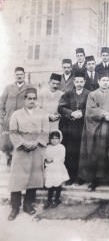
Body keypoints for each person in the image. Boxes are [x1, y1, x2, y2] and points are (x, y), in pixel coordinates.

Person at [7, 87, 49, 221]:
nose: (31, 101)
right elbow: (13, 132)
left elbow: (45, 131)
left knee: (33, 178)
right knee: (17, 178)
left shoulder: (42, 113)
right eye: (29, 98)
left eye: (34, 98)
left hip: (36, 148)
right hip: (21, 149)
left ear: (36, 100)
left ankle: (28, 205)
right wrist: (23, 143)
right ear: (24, 99)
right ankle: (15, 207)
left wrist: (37, 143)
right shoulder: (16, 114)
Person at [78, 73, 109, 191]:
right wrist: (104, 114)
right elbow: (90, 110)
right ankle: (93, 180)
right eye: (103, 80)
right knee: (95, 154)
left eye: (107, 80)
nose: (106, 82)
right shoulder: (92, 95)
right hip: (97, 128)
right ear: (98, 81)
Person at [58, 72, 90, 186]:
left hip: (84, 128)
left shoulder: (89, 94)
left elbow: (93, 108)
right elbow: (61, 107)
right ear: (74, 82)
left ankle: (81, 177)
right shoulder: (68, 94)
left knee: (82, 152)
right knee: (70, 152)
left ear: (85, 82)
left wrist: (82, 113)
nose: (79, 84)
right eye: (77, 82)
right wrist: (71, 113)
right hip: (70, 128)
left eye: (81, 82)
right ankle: (71, 176)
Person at [0, 67, 32, 167]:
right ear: (15, 76)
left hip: (23, 119)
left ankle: (20, 164)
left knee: (22, 140)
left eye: (21, 74)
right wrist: (2, 116)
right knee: (8, 141)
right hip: (9, 119)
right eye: (17, 74)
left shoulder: (29, 87)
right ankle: (9, 161)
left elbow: (33, 102)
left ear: (24, 75)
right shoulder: (8, 88)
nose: (19, 76)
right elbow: (2, 102)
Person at [43, 130, 69, 209]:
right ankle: (49, 199)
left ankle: (57, 199)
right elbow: (44, 155)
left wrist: (53, 159)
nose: (54, 140)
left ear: (59, 139)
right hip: (50, 168)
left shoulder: (61, 147)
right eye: (52, 138)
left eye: (56, 138)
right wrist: (45, 160)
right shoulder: (48, 147)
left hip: (58, 167)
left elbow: (61, 158)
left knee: (57, 183)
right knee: (50, 184)